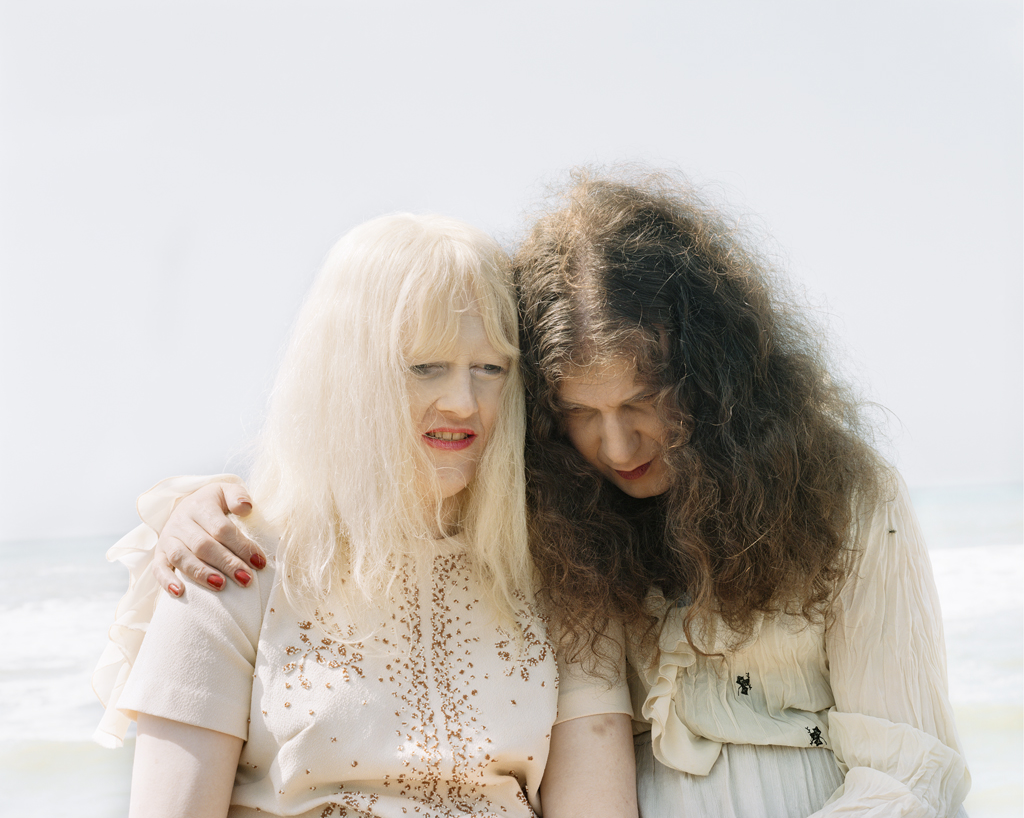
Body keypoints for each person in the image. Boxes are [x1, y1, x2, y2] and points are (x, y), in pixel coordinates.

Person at [125, 170, 971, 817]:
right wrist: (194, 505)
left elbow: (908, 765)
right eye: (580, 413)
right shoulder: (237, 559)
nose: (614, 445)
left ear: (715, 384)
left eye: (490, 370)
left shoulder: (829, 501)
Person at [92, 214, 638, 818]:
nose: (463, 401)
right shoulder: (225, 557)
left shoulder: (564, 574)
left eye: (490, 368)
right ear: (347, 374)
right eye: (424, 366)